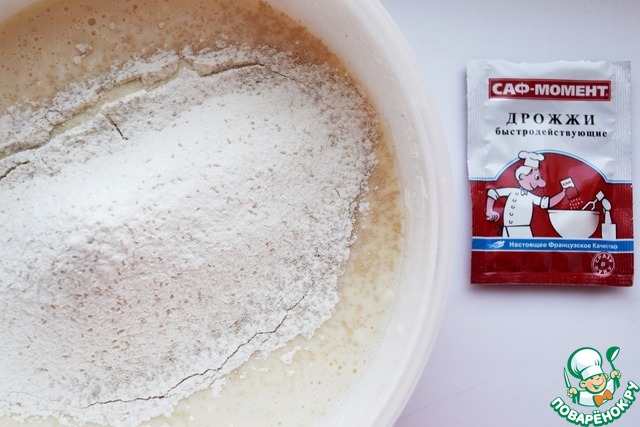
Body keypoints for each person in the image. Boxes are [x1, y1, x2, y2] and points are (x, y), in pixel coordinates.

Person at [485, 150, 566, 238]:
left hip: (522, 231)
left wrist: (563, 193)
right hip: (506, 230)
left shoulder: (531, 197)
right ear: (522, 175)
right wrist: (489, 210)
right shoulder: (512, 191)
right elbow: (493, 193)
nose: (541, 183)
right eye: (537, 177)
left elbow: (547, 203)